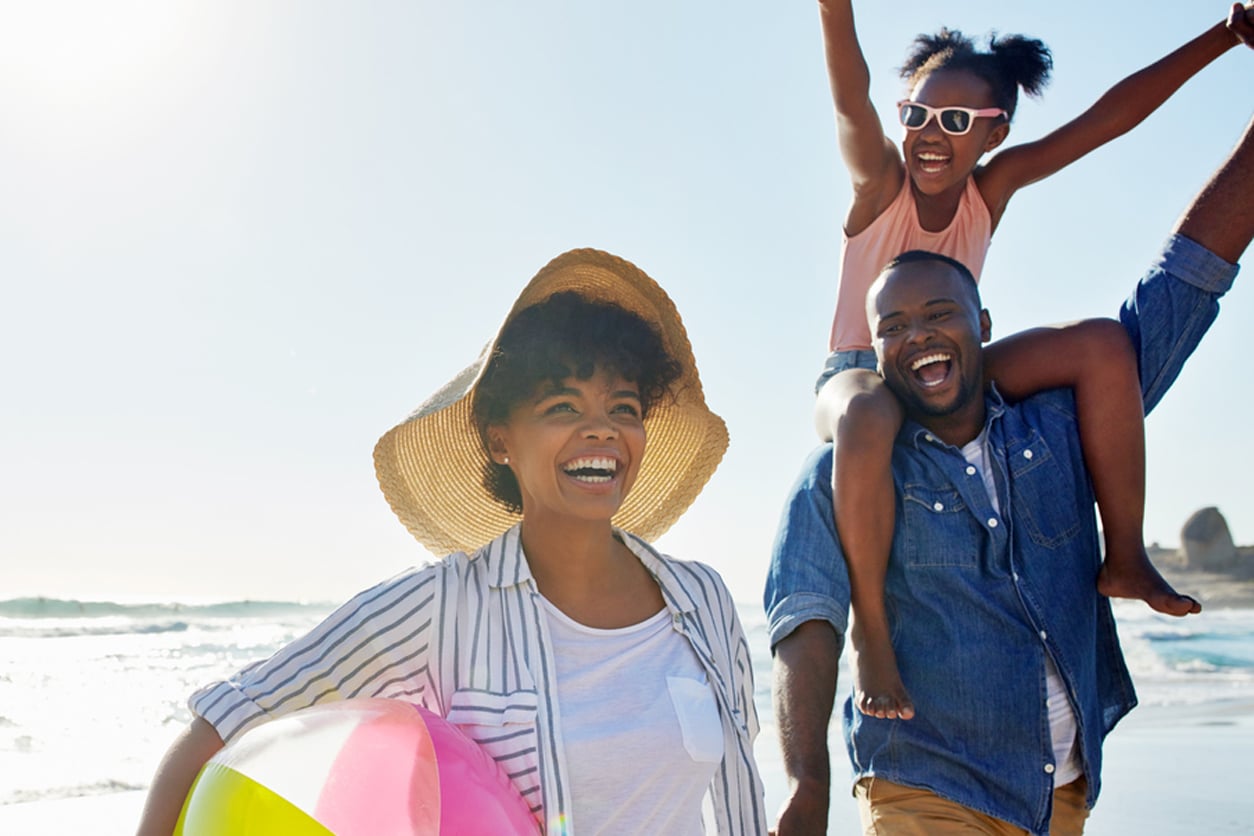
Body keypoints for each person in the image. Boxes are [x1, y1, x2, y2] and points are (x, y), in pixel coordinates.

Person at [136, 249, 768, 835]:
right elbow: (223, 721)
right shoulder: (444, 607)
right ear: (500, 439)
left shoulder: (701, 600)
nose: (601, 431)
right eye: (563, 409)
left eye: (623, 408)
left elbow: (738, 794)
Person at [765, 111, 1254, 836]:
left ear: (983, 326)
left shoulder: (1066, 427)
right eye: (893, 328)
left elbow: (1186, 280)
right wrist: (808, 784)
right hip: (922, 788)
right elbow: (805, 616)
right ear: (873, 350)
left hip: (1060, 797)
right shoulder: (844, 473)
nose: (918, 335)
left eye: (940, 314)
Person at [813, 0, 1253, 721]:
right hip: (861, 368)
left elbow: (1107, 122)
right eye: (917, 115)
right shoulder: (880, 185)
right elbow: (850, 99)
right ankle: (872, 632)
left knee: (1102, 345)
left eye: (956, 123)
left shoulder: (992, 189)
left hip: (957, 363)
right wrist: (835, 9)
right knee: (866, 412)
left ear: (995, 136)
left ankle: (1127, 554)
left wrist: (1225, 37)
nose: (929, 134)